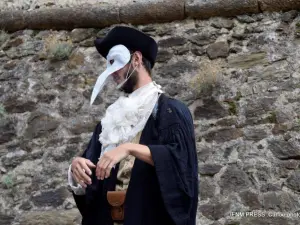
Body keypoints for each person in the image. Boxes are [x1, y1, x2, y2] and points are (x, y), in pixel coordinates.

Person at [68, 26, 198, 225]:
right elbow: (92, 170)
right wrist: (77, 167)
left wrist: (128, 148)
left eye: (116, 63)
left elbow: (181, 163)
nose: (112, 73)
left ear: (136, 59)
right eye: (108, 65)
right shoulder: (110, 120)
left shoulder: (170, 110)